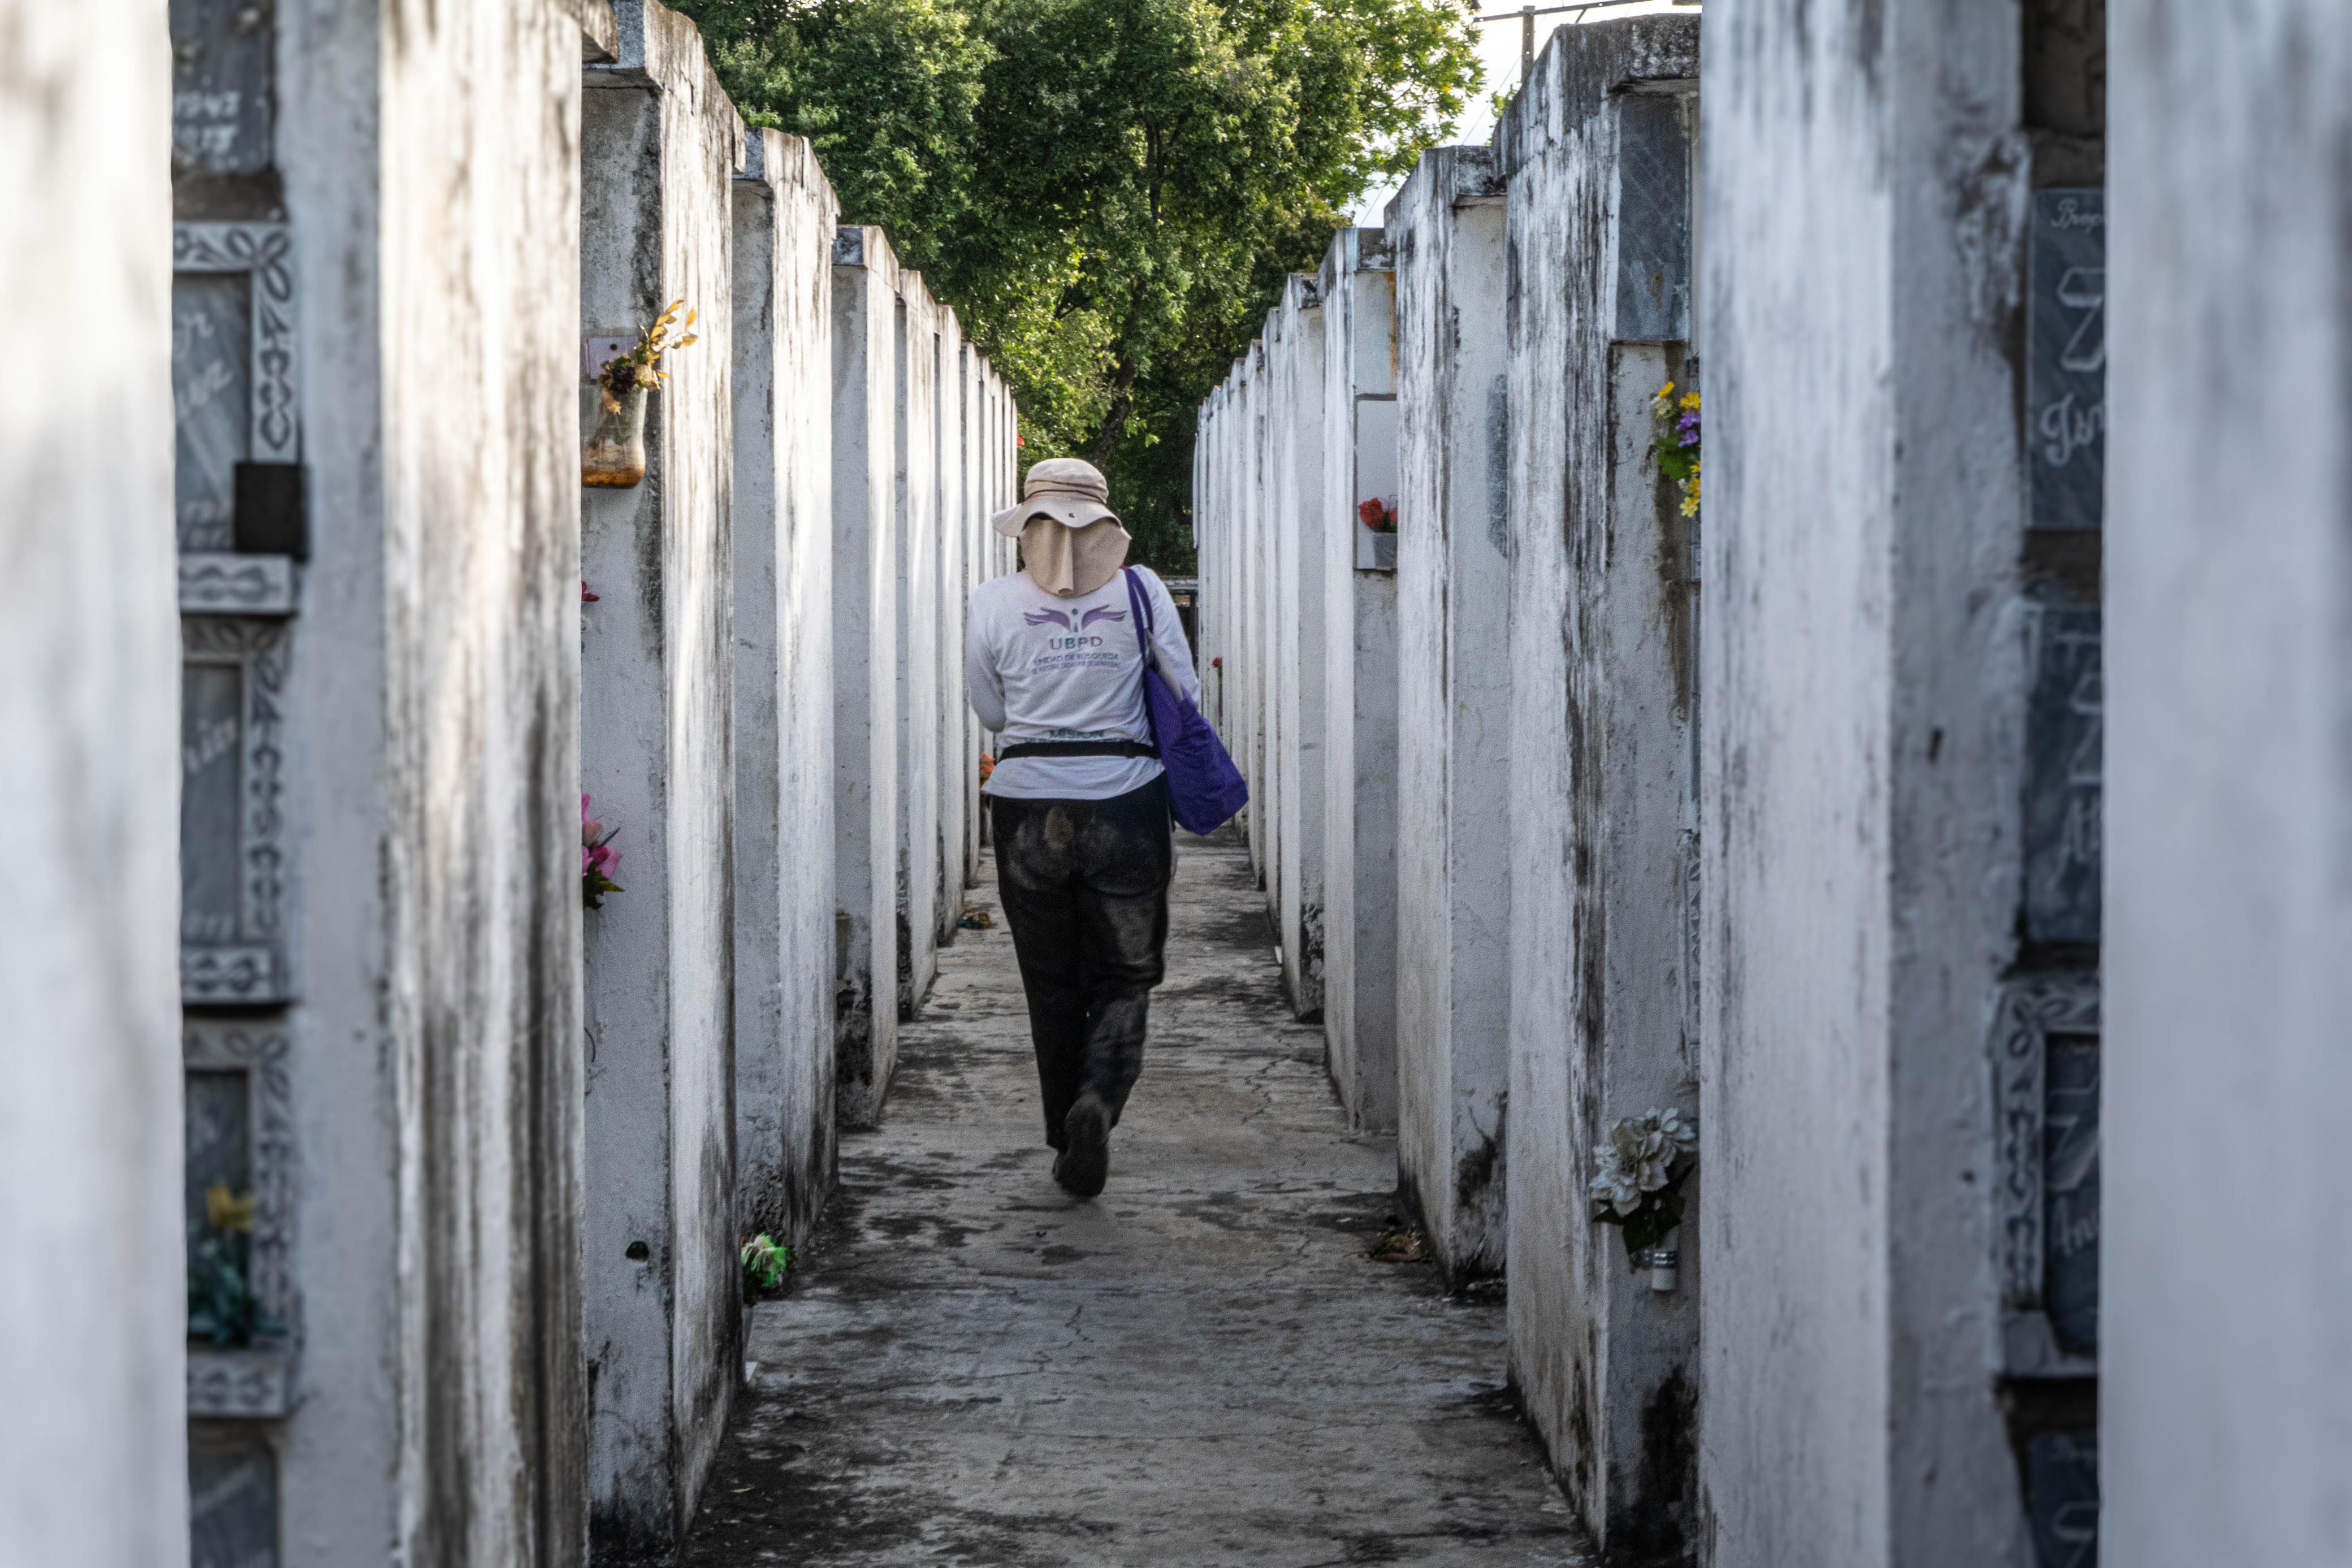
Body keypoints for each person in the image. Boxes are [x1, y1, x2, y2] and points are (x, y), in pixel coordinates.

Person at [966, 457, 1200, 1198]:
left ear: (1027, 525)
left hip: (1026, 809)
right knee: (1125, 974)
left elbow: (992, 713)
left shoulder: (991, 601)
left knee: (1051, 981)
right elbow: (1185, 691)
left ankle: (1064, 1132)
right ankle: (1097, 1099)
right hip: (1125, 801)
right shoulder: (1143, 589)